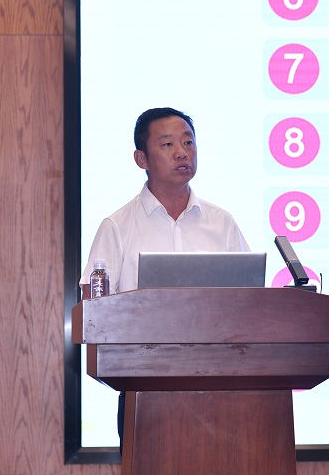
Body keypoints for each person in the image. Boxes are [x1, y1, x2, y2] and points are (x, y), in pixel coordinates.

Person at [79, 106, 250, 453]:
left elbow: (251, 301)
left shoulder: (222, 223)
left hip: (222, 388)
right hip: (143, 388)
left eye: (188, 142)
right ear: (141, 158)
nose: (182, 152)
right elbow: (93, 309)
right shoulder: (117, 226)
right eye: (168, 144)